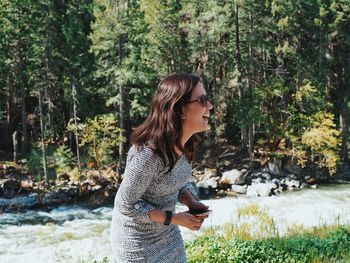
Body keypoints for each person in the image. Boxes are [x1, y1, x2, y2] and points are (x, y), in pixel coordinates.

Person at [110, 73, 214, 263]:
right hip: (137, 245)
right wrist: (176, 219)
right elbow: (125, 204)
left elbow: (174, 182)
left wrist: (191, 202)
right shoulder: (148, 154)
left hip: (167, 235)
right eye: (202, 100)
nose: (210, 106)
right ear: (180, 108)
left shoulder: (185, 145)